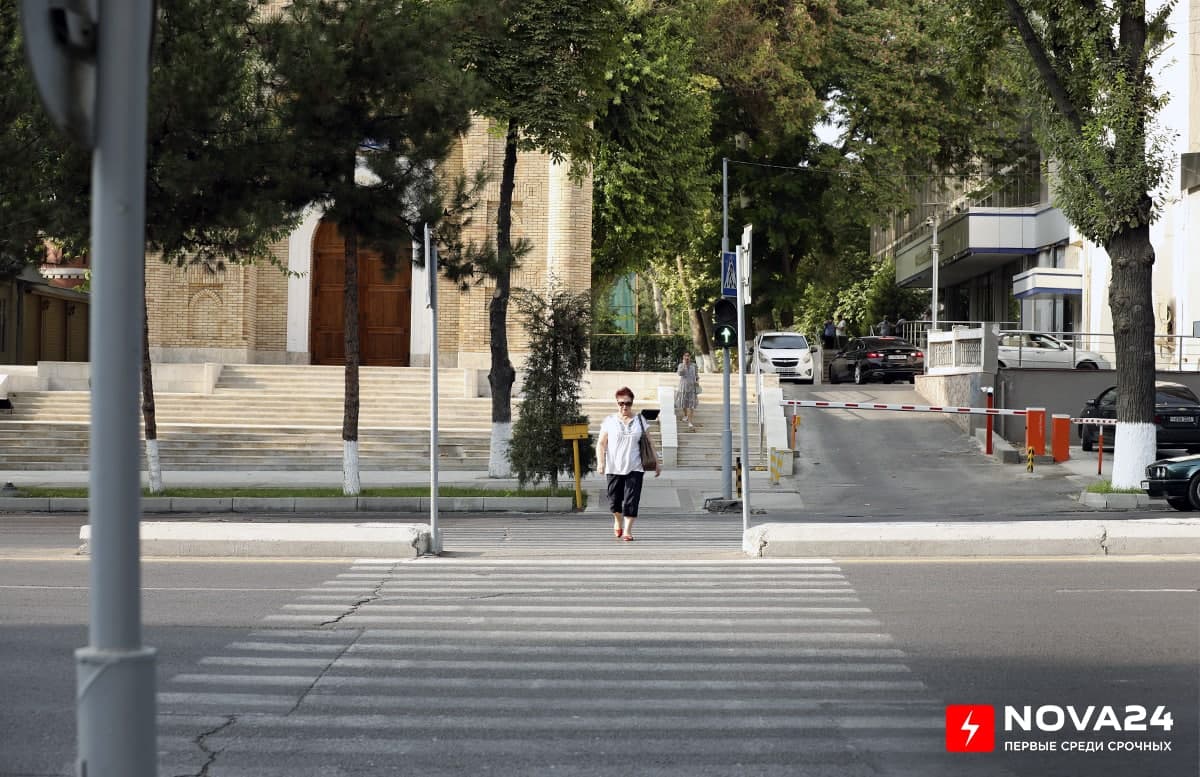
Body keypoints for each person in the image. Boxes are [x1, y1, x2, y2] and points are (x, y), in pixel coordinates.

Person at [597, 387, 661, 541]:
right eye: (621, 403)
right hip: (613, 467)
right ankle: (618, 521)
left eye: (628, 403)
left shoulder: (640, 420)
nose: (624, 406)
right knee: (614, 501)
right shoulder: (609, 421)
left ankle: (627, 530)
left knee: (632, 500)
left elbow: (650, 441)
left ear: (632, 403)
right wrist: (601, 462)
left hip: (635, 467)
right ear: (617, 403)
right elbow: (601, 443)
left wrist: (657, 462)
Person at [675, 351, 700, 430]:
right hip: (683, 387)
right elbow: (680, 374)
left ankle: (690, 422)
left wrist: (697, 381)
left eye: (688, 356)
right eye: (685, 356)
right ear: (683, 357)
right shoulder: (681, 365)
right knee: (684, 404)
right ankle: (685, 415)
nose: (687, 357)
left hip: (692, 387)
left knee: (691, 405)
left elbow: (697, 376)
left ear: (690, 357)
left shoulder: (694, 366)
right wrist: (684, 365)